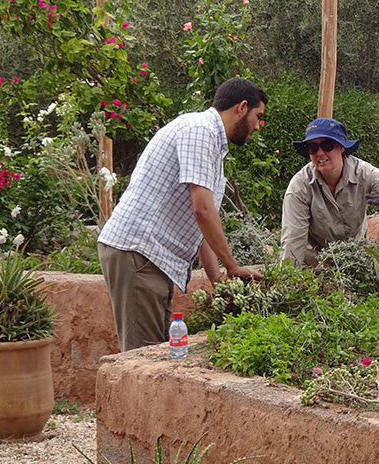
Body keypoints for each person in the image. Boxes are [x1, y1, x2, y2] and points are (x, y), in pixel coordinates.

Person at [98, 78, 267, 351]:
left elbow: (198, 226)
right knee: (143, 362)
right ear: (242, 107)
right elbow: (202, 210)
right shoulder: (199, 131)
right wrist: (232, 265)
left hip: (149, 258)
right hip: (139, 253)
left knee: (157, 354)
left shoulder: (211, 143)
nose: (258, 126)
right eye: (258, 116)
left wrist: (219, 281)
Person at [280, 117, 379, 267]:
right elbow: (293, 241)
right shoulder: (299, 187)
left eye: (327, 145)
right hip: (315, 262)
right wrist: (288, 281)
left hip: (355, 259)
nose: (319, 153)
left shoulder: (365, 174)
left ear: (342, 147)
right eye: (312, 147)